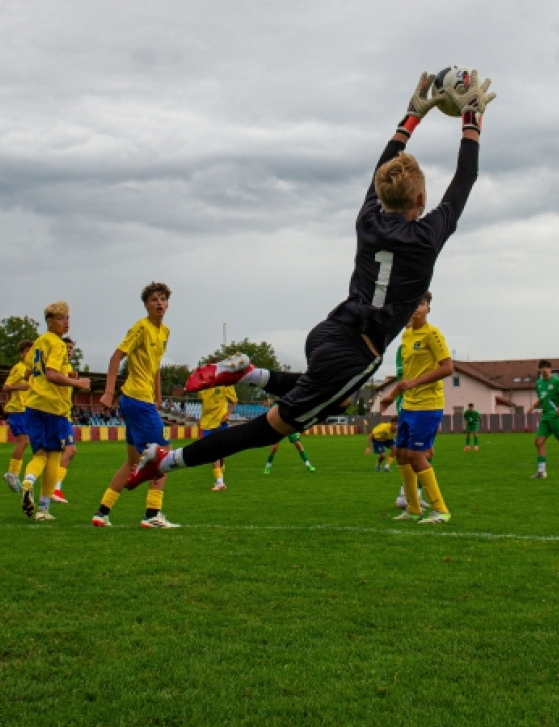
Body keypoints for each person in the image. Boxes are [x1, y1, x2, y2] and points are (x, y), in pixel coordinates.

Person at [124, 71, 494, 517]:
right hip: (357, 353)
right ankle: (166, 459)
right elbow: (465, 180)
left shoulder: (367, 217)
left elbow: (399, 170)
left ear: (380, 192)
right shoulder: (426, 236)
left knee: (330, 398)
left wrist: (412, 116)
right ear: (419, 200)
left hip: (330, 330)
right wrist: (470, 118)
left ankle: (251, 375)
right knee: (266, 430)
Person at [92, 282, 179, 528]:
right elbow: (116, 356)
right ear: (146, 305)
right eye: (154, 299)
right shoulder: (140, 328)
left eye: (163, 299)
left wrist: (158, 395)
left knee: (132, 462)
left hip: (140, 400)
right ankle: (152, 514)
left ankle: (102, 512)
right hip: (136, 399)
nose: (159, 303)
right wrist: (109, 392)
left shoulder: (164, 332)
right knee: (165, 455)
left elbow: (155, 367)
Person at [380, 291, 453, 522]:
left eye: (421, 303)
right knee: (401, 454)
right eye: (413, 302)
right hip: (408, 406)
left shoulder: (433, 334)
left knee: (416, 455)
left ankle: (441, 510)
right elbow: (406, 375)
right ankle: (413, 509)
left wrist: (415, 383)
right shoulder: (406, 336)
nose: (416, 307)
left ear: (428, 309)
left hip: (427, 405)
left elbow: (448, 368)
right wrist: (392, 395)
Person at [19, 303, 90, 521]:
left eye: (68, 318)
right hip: (53, 408)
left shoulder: (38, 343)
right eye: (61, 318)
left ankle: (28, 481)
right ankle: (43, 508)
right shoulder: (57, 344)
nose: (66, 322)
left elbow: (27, 372)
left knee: (39, 454)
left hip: (33, 405)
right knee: (55, 456)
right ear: (50, 321)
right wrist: (77, 382)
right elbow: (51, 374)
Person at [2, 339, 34, 493]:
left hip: (26, 409)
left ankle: (14, 473)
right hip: (17, 409)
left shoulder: (31, 369)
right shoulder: (19, 368)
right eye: (28, 351)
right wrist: (22, 386)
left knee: (26, 442)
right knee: (23, 441)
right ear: (22, 354)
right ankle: (12, 473)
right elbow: (6, 386)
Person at [52, 338, 79, 503]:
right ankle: (54, 488)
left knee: (56, 454)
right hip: (56, 414)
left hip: (64, 414)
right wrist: (74, 380)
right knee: (69, 451)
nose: (69, 350)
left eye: (71, 348)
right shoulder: (57, 366)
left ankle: (51, 491)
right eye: (66, 347)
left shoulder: (68, 368)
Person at [198, 384, 238, 490]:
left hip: (221, 422)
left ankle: (220, 473)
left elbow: (234, 401)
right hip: (207, 424)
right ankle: (220, 482)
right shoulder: (203, 385)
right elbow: (202, 401)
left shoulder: (226, 384)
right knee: (212, 451)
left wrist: (228, 415)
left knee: (221, 452)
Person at [528, 360, 559, 479]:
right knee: (538, 442)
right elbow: (542, 398)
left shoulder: (556, 381)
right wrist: (532, 407)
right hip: (545, 417)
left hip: (556, 417)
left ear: (551, 369)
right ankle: (541, 472)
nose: (545, 370)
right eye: (542, 368)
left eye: (547, 367)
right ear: (539, 370)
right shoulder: (539, 383)